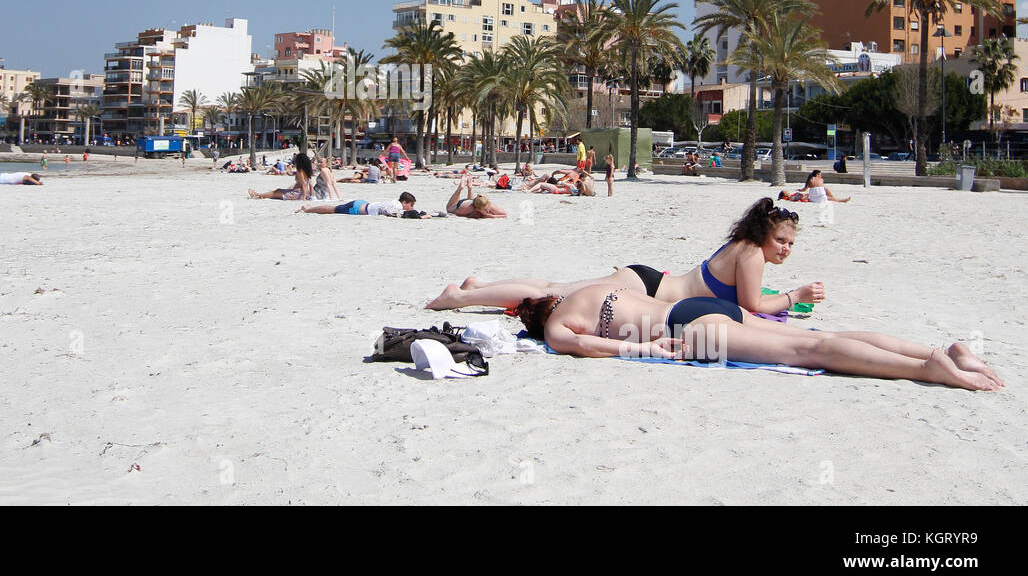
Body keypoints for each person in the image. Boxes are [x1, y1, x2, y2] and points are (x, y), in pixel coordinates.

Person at [509, 285, 1001, 391]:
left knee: (806, 351)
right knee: (819, 334)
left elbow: (585, 345)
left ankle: (926, 368)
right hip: (699, 308)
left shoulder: (554, 327)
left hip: (687, 330)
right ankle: (942, 350)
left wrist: (647, 349)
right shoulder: (587, 289)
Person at [424, 198, 826, 317]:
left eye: (791, 243)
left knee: (555, 289)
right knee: (552, 294)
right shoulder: (752, 253)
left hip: (647, 282)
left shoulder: (744, 245)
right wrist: (795, 295)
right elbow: (752, 306)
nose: (786, 249)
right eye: (782, 240)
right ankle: (458, 297)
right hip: (645, 287)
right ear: (766, 235)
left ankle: (479, 288)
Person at [297, 191, 431, 219]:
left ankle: (309, 208)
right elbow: (389, 212)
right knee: (332, 210)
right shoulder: (397, 206)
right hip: (358, 209)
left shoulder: (395, 203)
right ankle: (308, 209)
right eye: (411, 205)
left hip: (363, 204)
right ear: (405, 202)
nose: (411, 208)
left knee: (333, 209)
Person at [248, 153, 314, 200]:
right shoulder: (307, 171)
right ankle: (259, 195)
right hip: (301, 193)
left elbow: (304, 184)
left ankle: (257, 194)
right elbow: (310, 184)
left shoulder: (300, 170)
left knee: (275, 192)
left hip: (298, 193)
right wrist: (311, 195)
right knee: (277, 191)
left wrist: (304, 198)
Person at [779, 170, 851, 203]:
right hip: (816, 197)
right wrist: (804, 195)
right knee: (827, 194)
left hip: (814, 196)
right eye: (820, 174)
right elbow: (801, 197)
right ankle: (840, 200)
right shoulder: (791, 197)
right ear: (817, 175)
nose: (821, 176)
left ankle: (840, 200)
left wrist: (801, 191)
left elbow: (805, 189)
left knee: (829, 197)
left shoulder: (810, 180)